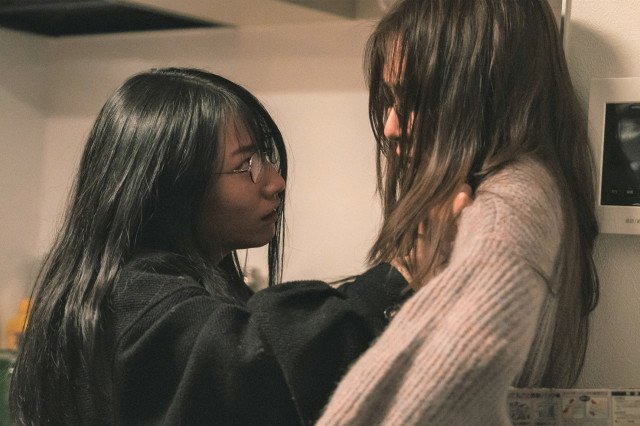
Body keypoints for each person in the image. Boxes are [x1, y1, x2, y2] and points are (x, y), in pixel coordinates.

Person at [9, 68, 413, 425]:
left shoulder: (142, 287)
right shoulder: (131, 299)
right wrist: (402, 271)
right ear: (170, 186)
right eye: (246, 165)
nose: (276, 182)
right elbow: (256, 362)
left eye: (265, 158)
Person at [317, 0, 600, 424]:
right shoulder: (526, 185)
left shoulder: (508, 203)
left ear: (482, 91)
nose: (390, 126)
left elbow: (464, 368)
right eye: (390, 100)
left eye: (413, 98)